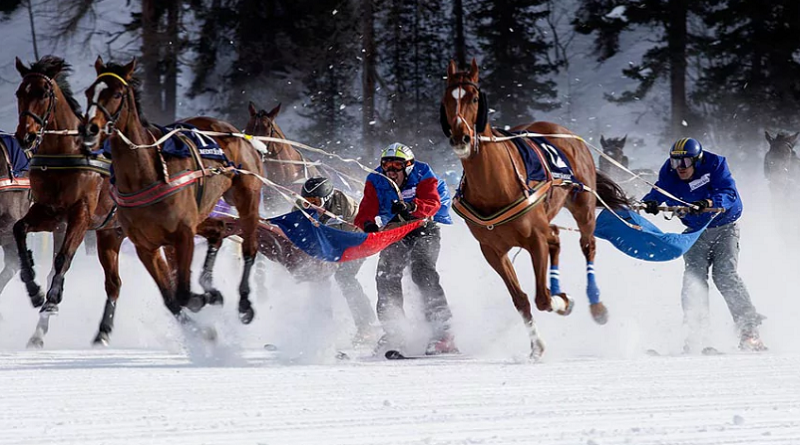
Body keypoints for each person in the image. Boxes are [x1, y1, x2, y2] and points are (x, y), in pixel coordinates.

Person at [640, 137, 766, 352]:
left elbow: (728, 192)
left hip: (724, 228)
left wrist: (708, 203)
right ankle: (695, 334)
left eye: (685, 163)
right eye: (675, 162)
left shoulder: (715, 164)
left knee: (725, 275)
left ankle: (749, 332)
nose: (680, 168)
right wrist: (650, 201)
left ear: (697, 161)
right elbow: (661, 190)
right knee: (694, 280)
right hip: (695, 232)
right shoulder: (670, 172)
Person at [353, 142, 457, 355]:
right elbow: (365, 210)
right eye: (386, 166)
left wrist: (412, 206)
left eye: (396, 166)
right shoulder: (376, 179)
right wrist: (368, 224)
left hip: (423, 229)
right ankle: (394, 331)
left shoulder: (423, 172)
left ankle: (442, 332)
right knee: (386, 275)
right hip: (395, 231)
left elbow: (432, 201)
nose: (391, 171)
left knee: (422, 270)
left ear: (408, 166)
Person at [300, 177, 380, 346]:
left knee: (344, 277)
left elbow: (357, 229)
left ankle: (366, 327)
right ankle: (322, 328)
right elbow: (296, 230)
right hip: (323, 247)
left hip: (353, 243)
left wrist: (335, 254)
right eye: (307, 202)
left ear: (327, 198)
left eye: (315, 201)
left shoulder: (346, 205)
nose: (311, 206)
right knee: (316, 279)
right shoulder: (301, 208)